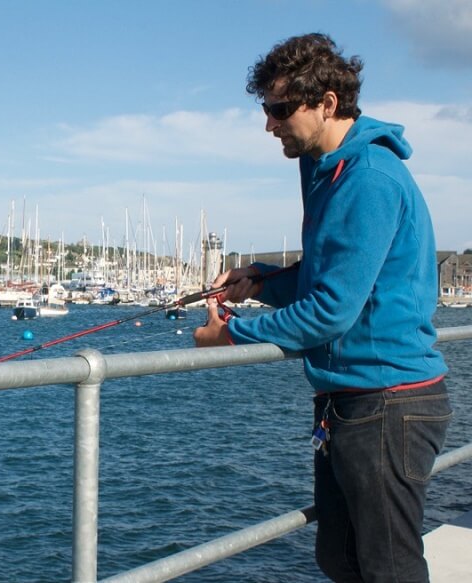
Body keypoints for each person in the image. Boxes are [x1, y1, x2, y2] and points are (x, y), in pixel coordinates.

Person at [193, 33, 453, 582]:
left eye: (280, 108)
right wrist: (260, 282)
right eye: (267, 109)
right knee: (339, 558)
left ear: (327, 103)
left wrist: (231, 337)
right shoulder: (328, 170)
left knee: (388, 569)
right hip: (352, 402)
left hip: (388, 403)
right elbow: (327, 279)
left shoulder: (367, 180)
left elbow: (332, 310)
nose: (270, 124)